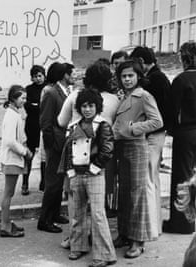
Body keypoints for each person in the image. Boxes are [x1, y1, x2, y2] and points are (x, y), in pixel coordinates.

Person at [57, 60, 119, 248]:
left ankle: (75, 238)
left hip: (77, 154)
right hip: (101, 156)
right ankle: (97, 237)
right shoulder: (114, 100)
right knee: (98, 200)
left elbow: (61, 121)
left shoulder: (76, 96)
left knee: (74, 197)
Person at [112, 60, 163, 258]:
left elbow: (157, 121)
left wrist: (134, 128)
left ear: (138, 77)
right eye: (123, 76)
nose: (126, 79)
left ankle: (137, 241)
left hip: (137, 147)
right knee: (124, 193)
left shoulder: (144, 96)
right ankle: (124, 234)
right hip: (122, 148)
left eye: (130, 76)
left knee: (137, 195)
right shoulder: (123, 96)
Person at [163, 42, 196, 234]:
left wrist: (170, 130)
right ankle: (187, 220)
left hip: (186, 132)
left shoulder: (182, 79)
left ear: (185, 57)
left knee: (180, 177)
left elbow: (172, 110)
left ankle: (181, 223)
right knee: (190, 174)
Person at [130, 46, 172, 235]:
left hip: (152, 134)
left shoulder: (153, 80)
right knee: (153, 179)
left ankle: (150, 226)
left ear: (141, 61)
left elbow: (155, 115)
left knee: (147, 179)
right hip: (158, 134)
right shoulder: (160, 77)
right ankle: (155, 224)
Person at [37, 62, 75, 233]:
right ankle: (44, 219)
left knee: (59, 180)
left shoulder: (66, 91)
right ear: (63, 75)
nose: (73, 76)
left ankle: (55, 213)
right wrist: (50, 144)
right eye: (70, 73)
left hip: (63, 142)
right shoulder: (52, 93)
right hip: (55, 144)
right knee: (52, 182)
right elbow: (45, 122)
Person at [0, 85, 32, 238]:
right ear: (13, 99)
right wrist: (24, 152)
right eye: (22, 98)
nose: (24, 101)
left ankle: (6, 222)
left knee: (9, 193)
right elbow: (10, 141)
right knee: (8, 193)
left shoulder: (14, 113)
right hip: (12, 159)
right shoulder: (11, 116)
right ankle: (5, 226)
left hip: (13, 158)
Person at [22, 65, 46, 195]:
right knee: (28, 156)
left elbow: (45, 107)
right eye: (35, 76)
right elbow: (27, 106)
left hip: (43, 125)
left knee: (44, 157)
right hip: (31, 127)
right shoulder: (29, 89)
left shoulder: (48, 88)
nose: (38, 78)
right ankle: (25, 183)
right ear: (31, 77)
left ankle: (44, 182)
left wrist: (36, 106)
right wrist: (38, 107)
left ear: (44, 75)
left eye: (40, 75)